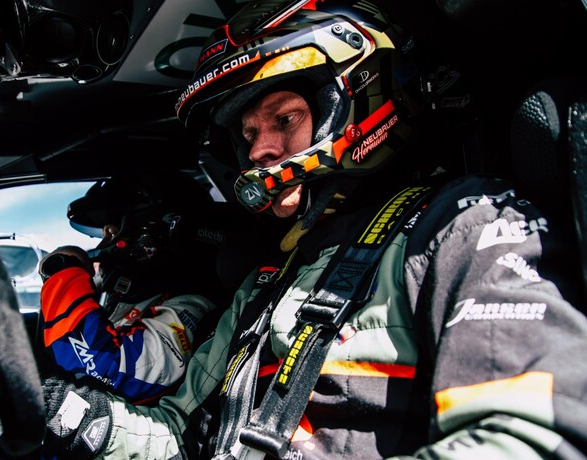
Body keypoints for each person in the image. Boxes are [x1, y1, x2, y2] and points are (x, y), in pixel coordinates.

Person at [37, 2, 587, 459]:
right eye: (249, 134)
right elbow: (179, 432)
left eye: (284, 119)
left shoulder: (466, 225)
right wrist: (63, 413)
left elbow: (530, 437)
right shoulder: (269, 278)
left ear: (350, 104)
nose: (258, 152)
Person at [37, 170, 243, 405]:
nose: (105, 243)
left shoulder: (192, 305)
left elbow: (102, 370)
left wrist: (63, 269)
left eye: (112, 229)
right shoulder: (135, 290)